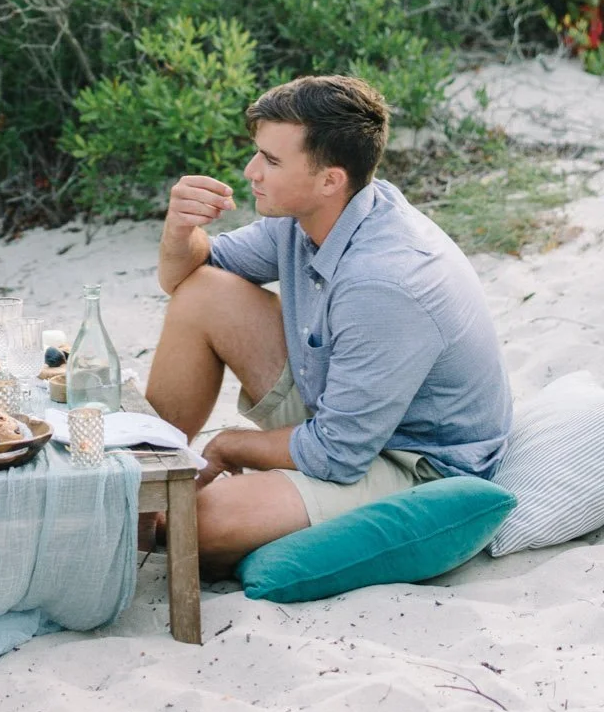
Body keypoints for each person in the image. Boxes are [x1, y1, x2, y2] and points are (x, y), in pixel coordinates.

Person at [146, 74, 512, 574]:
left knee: (201, 522)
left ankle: (167, 510)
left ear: (330, 179)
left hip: (410, 461)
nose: (252, 171)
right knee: (203, 293)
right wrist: (179, 227)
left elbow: (338, 453)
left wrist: (231, 442)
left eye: (271, 161)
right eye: (258, 153)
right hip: (341, 410)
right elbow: (185, 275)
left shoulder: (384, 280)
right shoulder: (308, 217)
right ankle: (143, 467)